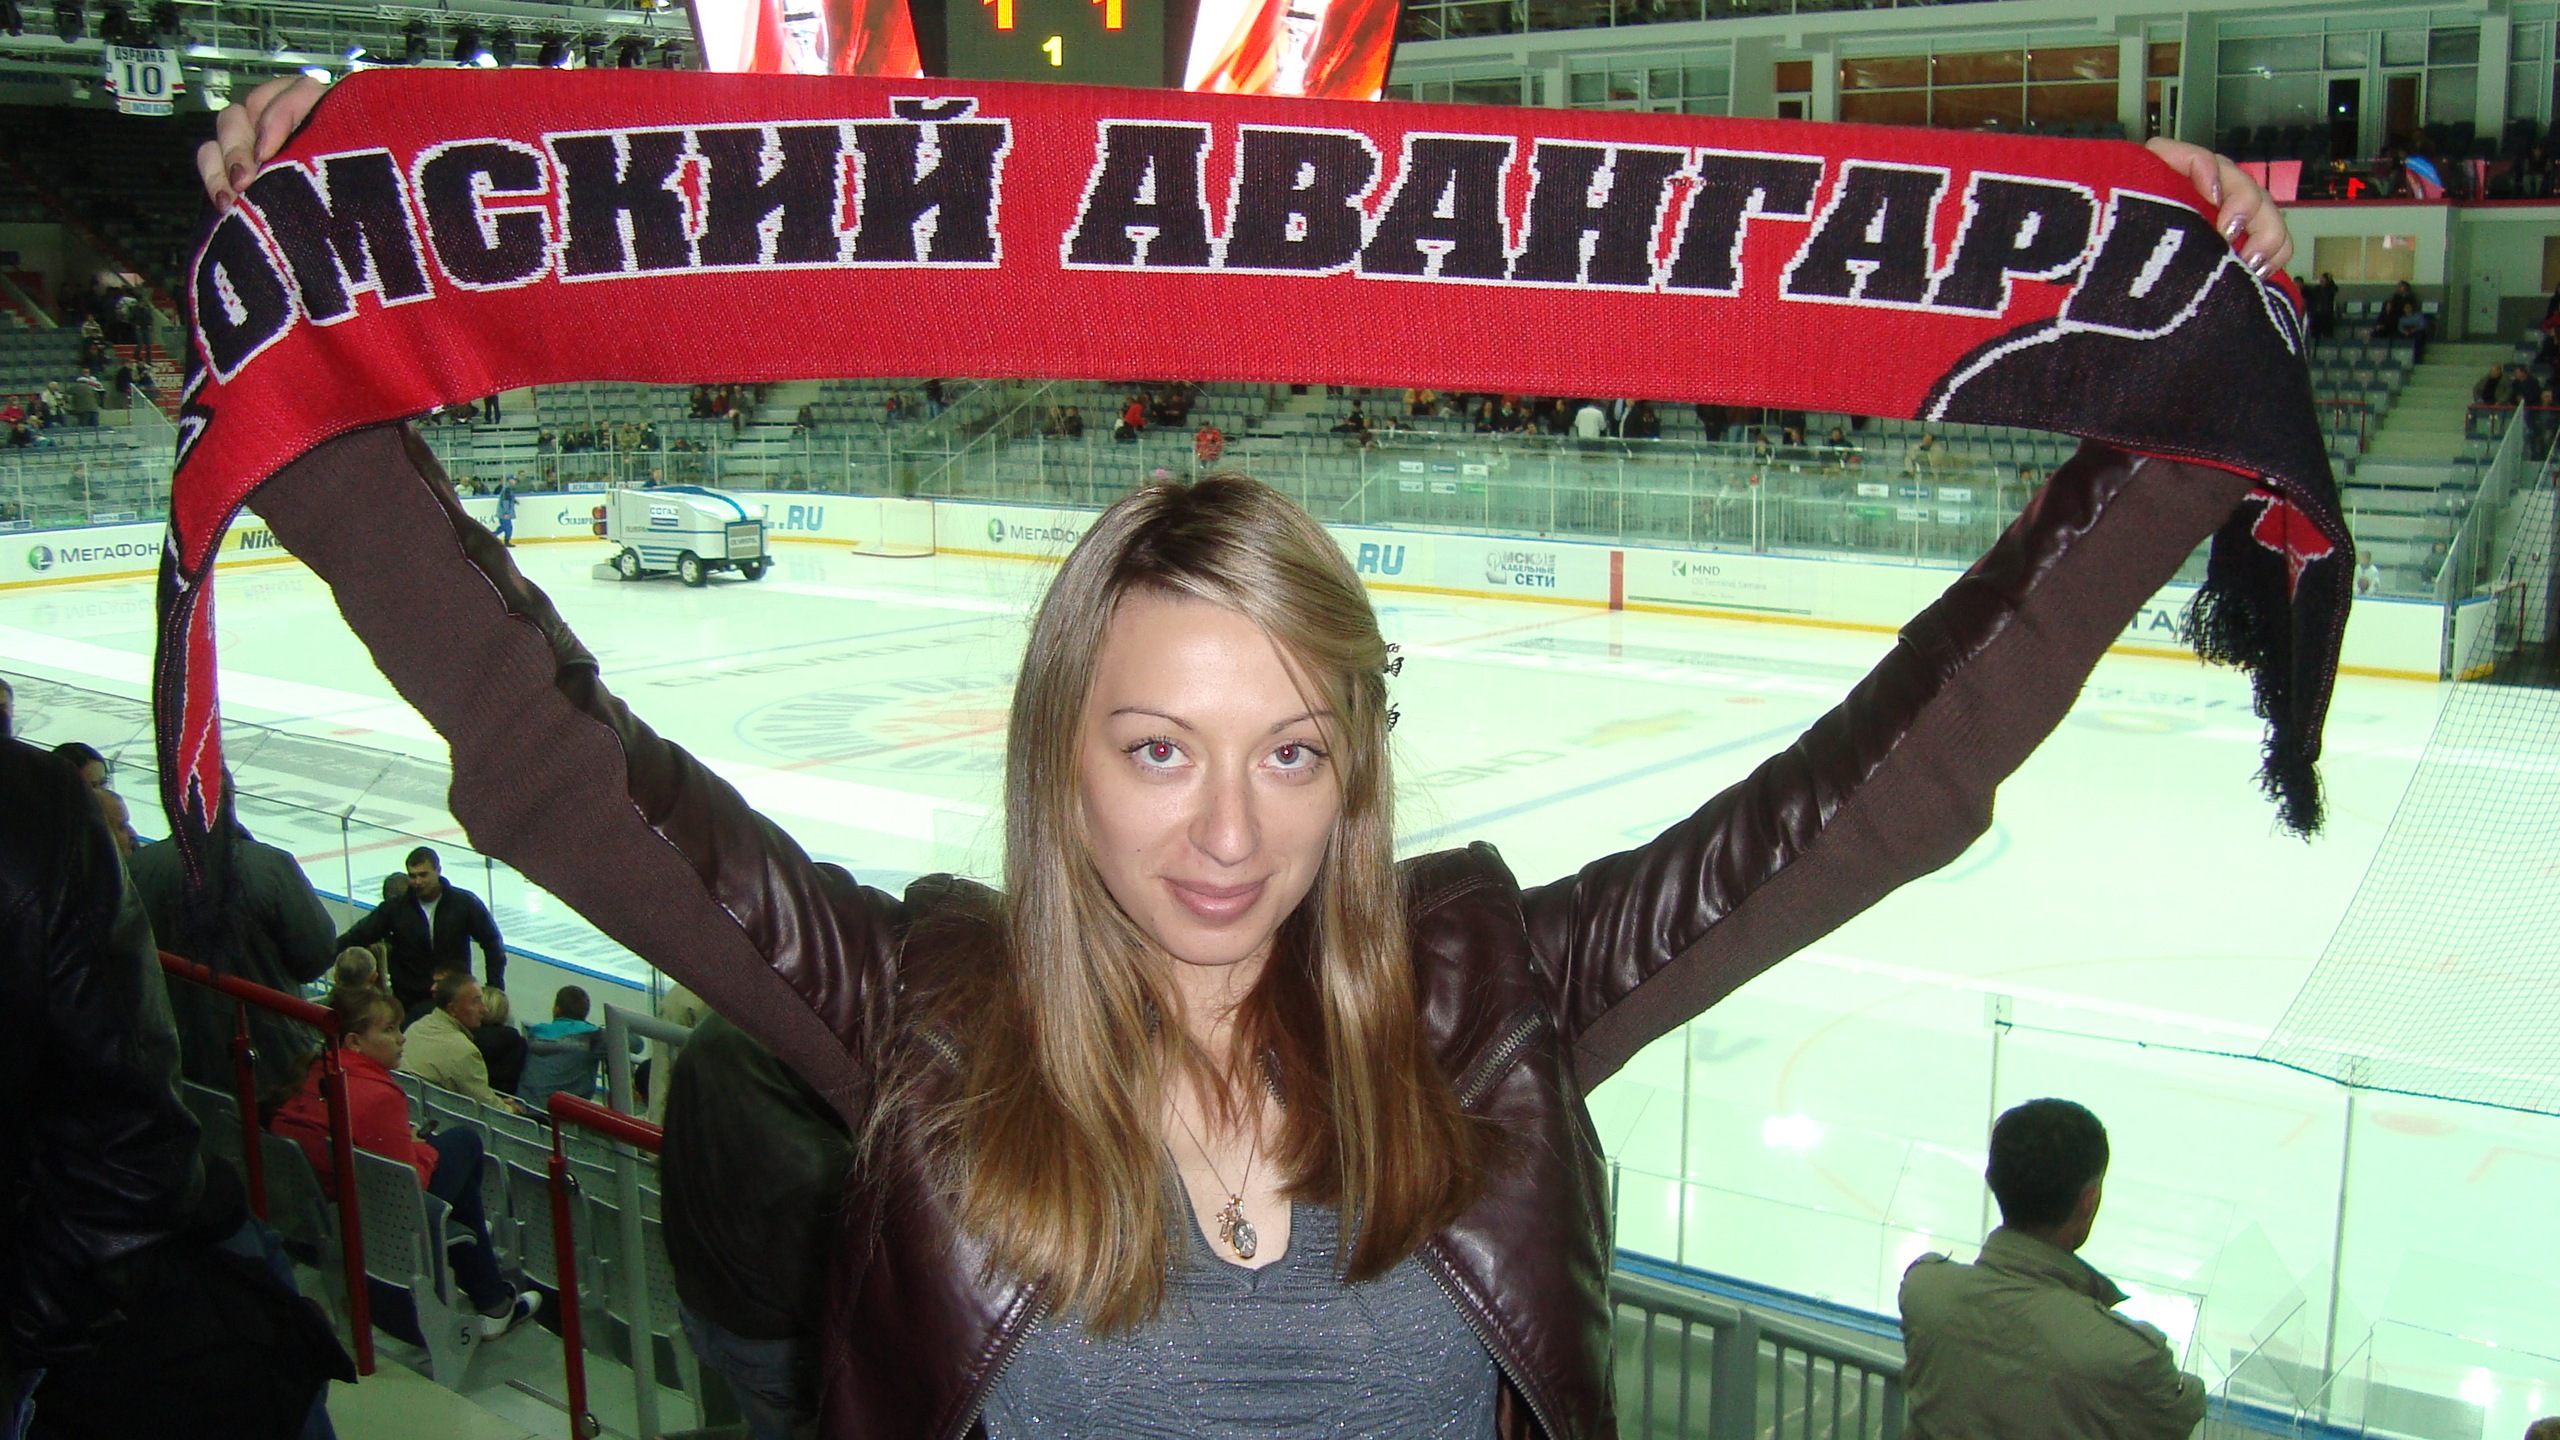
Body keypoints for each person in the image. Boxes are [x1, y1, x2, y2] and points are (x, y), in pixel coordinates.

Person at [200, 81, 2290, 1439]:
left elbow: (1883, 787)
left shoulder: (1489, 994)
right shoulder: (927, 1015)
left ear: (1356, 770)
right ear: (1061, 763)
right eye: (1156, 749)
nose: (1227, 833)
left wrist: (2177, 426)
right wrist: (308, 354)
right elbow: (561, 766)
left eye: (1291, 751)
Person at [0, 732, 352, 1437]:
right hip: (264, 1066)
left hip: (197, 1074)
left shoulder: (145, 865)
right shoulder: (263, 866)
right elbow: (316, 951)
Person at [1899, 1099, 2206, 1440]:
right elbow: (2182, 1409)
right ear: (2088, 1201)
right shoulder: (2129, 1356)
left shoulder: (1925, 1290)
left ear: (1992, 1179)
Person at [269, 986, 538, 1337]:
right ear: (354, 1041)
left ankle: (493, 1297)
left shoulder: (315, 1070)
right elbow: (411, 1184)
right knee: (466, 1143)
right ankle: (493, 1300)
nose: (401, 1038)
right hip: (376, 1215)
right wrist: (420, 1148)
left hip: (326, 1206)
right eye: (389, 1030)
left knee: (460, 1182)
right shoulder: (377, 1095)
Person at [662, 1011, 856, 1440]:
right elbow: (838, 1311)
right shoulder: (821, 1172)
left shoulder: (717, 1035)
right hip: (768, 1345)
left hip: (704, 1306)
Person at [129, 814, 339, 1096]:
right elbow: (316, 955)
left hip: (171, 1056)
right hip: (268, 1058)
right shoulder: (271, 866)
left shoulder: (138, 867)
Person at [335, 845, 505, 1021]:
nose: (417, 881)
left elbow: (492, 942)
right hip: (410, 1001)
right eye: (412, 876)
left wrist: (494, 987)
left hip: (454, 998)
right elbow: (359, 935)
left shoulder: (464, 904)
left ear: (438, 871)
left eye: (423, 875)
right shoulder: (395, 908)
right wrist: (327, 953)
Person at [399, 972, 526, 1113]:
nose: (484, 1009)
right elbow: (489, 1109)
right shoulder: (464, 1051)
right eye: (476, 1002)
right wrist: (510, 1110)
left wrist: (496, 1102)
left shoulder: (416, 1028)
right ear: (452, 1009)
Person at [517, 985, 608, 1106]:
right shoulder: (592, 1039)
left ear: (556, 1010)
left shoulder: (534, 1033)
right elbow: (630, 1040)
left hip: (524, 1108)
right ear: (585, 1013)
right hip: (562, 1114)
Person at [493, 480, 517, 547]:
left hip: (503, 512)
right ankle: (505, 541)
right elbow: (505, 501)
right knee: (508, 527)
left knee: (504, 527)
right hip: (504, 513)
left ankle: (492, 536)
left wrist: (514, 501)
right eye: (513, 480)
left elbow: (508, 499)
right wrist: (506, 513)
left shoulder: (507, 489)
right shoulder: (507, 489)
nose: (515, 482)